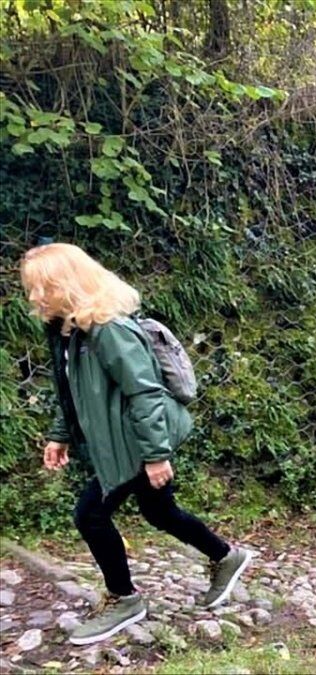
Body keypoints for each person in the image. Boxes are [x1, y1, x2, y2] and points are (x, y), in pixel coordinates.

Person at [21, 243, 253, 646]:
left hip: (136, 440)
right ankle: (225, 556)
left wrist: (156, 456)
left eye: (41, 287)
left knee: (90, 515)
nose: (34, 297)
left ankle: (125, 599)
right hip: (126, 441)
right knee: (159, 511)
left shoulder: (108, 329)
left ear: (66, 283)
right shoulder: (67, 329)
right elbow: (72, 391)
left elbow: (144, 393)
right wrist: (60, 434)